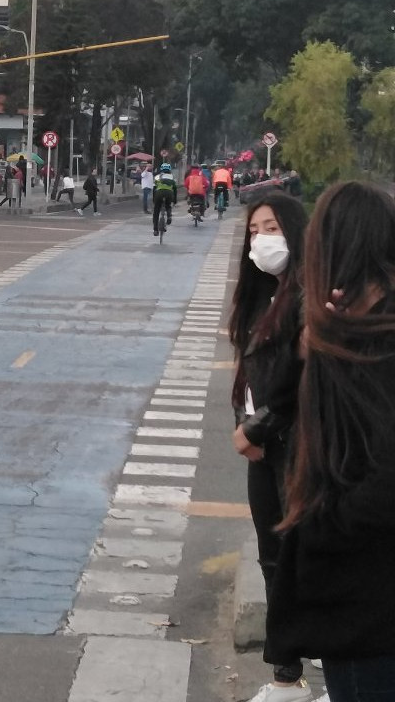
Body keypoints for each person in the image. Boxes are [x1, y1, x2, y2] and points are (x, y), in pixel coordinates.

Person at [266, 182, 395, 702]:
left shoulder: (375, 344)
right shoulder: (344, 329)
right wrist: (304, 347)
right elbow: (279, 401)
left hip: (366, 598)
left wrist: (325, 528)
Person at [228, 192, 312, 702]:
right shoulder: (262, 295)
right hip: (264, 448)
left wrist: (256, 429)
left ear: (296, 232)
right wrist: (245, 422)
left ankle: (316, 672)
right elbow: (250, 377)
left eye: (272, 228)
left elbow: (300, 381)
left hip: (297, 448)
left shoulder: (307, 296)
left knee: (305, 558)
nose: (262, 240)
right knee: (272, 559)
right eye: (254, 232)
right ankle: (288, 675)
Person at [151, 162, 177, 235]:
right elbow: (175, 190)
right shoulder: (172, 177)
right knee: (168, 205)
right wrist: (174, 200)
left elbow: (154, 188)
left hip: (159, 193)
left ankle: (155, 230)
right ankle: (169, 216)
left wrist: (154, 199)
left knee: (156, 212)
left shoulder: (157, 177)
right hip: (169, 193)